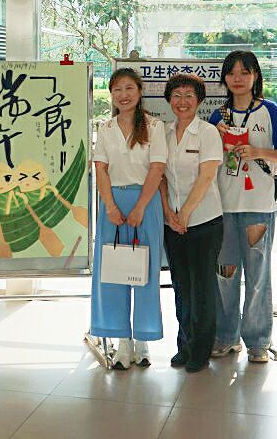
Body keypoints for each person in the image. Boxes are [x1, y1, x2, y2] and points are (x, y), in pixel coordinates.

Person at [208, 50, 277, 364]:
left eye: (245, 72)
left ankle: (257, 341)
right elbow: (207, 160)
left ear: (256, 76)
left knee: (258, 274)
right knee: (225, 274)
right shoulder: (218, 116)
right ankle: (226, 337)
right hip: (223, 205)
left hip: (258, 204)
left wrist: (257, 152)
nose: (238, 78)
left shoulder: (270, 111)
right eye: (231, 73)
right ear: (224, 79)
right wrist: (216, 138)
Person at [90, 68, 168, 369]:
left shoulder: (155, 126)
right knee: (113, 272)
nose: (123, 95)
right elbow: (100, 169)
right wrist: (110, 206)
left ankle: (143, 340)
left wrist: (140, 207)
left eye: (129, 88)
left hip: (145, 204)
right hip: (112, 206)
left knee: (144, 272)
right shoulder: (106, 128)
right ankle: (122, 340)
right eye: (117, 90)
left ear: (139, 91)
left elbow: (157, 169)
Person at [161, 73, 224, 373]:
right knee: (181, 287)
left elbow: (207, 175)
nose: (182, 101)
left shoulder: (208, 132)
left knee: (202, 288)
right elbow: (160, 177)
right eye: (176, 95)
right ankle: (184, 345)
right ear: (169, 100)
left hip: (204, 222)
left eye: (189, 95)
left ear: (199, 100)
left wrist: (185, 212)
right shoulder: (164, 132)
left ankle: (201, 349)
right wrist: (168, 213)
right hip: (172, 224)